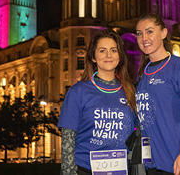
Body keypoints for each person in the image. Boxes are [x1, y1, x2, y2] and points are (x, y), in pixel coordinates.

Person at [58, 29, 137, 175]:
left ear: (120, 56)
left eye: (113, 50)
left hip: (121, 170)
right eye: (102, 51)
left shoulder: (130, 91)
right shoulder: (78, 91)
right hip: (85, 170)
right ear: (93, 57)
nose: (108, 55)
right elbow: (68, 137)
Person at [135, 13, 180, 175]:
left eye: (150, 31)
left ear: (164, 33)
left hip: (178, 163)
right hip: (152, 165)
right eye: (139, 33)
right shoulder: (143, 74)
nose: (144, 38)